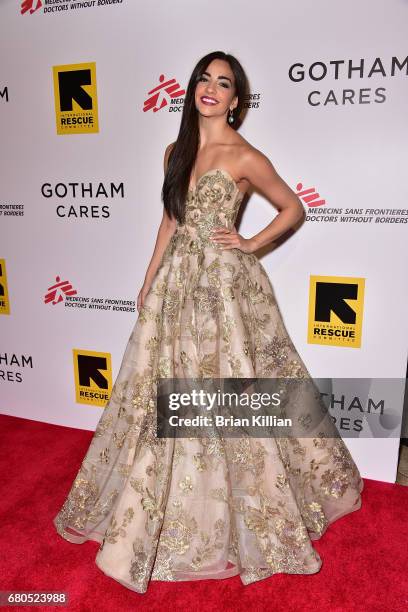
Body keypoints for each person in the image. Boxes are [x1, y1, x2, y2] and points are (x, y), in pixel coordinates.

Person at [53, 51, 363, 594]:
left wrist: (248, 243)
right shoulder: (176, 150)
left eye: (224, 83)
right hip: (176, 286)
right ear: (194, 88)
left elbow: (292, 208)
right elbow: (170, 220)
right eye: (205, 79)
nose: (212, 89)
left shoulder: (244, 155)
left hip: (221, 289)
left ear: (237, 101)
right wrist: (149, 280)